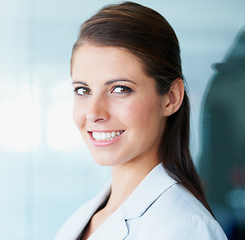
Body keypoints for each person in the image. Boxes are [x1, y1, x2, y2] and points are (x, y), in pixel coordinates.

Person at [55, 2, 227, 239]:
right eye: (83, 90)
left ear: (171, 98)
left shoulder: (184, 228)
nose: (94, 113)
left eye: (120, 89)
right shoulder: (84, 219)